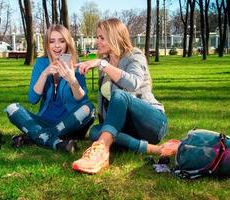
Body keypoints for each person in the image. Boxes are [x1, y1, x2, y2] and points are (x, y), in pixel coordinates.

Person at [72, 18, 179, 173]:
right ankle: (154, 149)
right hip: (129, 128)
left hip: (152, 122)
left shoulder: (134, 55)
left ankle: (101, 152)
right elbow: (107, 105)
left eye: (102, 37)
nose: (97, 41)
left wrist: (103, 65)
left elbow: (133, 83)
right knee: (96, 131)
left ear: (114, 37)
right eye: (97, 37)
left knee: (119, 95)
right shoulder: (106, 63)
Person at [5, 24, 95, 153]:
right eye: (52, 41)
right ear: (47, 45)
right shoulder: (41, 63)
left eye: (61, 41)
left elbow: (82, 100)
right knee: (12, 108)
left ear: (67, 43)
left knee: (89, 108)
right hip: (45, 121)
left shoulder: (76, 64)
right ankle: (57, 143)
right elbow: (32, 99)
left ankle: (37, 136)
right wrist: (44, 74)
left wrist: (72, 79)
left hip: (69, 123)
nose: (57, 45)